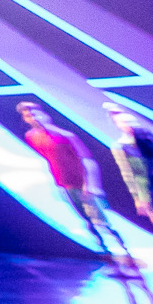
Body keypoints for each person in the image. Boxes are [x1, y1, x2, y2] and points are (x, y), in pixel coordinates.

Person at [10, 101, 119, 263]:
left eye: (34, 113)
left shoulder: (65, 135)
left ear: (44, 114)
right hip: (65, 185)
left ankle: (124, 251)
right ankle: (107, 253)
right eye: (28, 116)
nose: (33, 118)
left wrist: (90, 185)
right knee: (87, 220)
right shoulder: (32, 137)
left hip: (83, 185)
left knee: (101, 221)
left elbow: (87, 159)